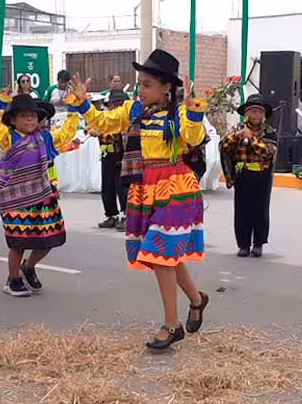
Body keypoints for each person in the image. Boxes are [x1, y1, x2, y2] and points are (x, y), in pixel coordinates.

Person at [67, 49, 209, 352]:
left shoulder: (180, 113)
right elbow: (104, 122)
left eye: (147, 85)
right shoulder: (132, 110)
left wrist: (194, 112)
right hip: (145, 187)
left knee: (159, 255)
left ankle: (172, 325)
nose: (140, 90)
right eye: (140, 83)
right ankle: (197, 300)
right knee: (168, 256)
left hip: (175, 188)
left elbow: (194, 138)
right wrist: (83, 104)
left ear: (166, 87)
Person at [0, 93, 71, 297]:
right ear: (13, 120)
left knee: (50, 238)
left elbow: (65, 135)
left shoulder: (44, 138)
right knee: (19, 243)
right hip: (15, 199)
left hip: (42, 196)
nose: (30, 120)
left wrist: (75, 111)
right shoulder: (8, 138)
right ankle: (13, 279)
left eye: (33, 116)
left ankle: (29, 267)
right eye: (24, 116)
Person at [220, 94, 277, 258]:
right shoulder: (237, 128)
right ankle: (243, 244)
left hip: (261, 174)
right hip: (243, 174)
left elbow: (268, 152)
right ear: (246, 113)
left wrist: (251, 138)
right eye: (253, 111)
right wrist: (237, 136)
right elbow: (224, 145)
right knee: (242, 210)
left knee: (260, 210)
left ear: (264, 115)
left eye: (259, 112)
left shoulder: (270, 132)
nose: (256, 115)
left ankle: (258, 244)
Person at [94, 89, 129, 230]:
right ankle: (111, 215)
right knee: (107, 187)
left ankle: (126, 215)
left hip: (122, 158)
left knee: (123, 188)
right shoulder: (105, 118)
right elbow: (94, 128)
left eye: (119, 103)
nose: (115, 106)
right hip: (106, 157)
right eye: (113, 103)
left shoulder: (125, 118)